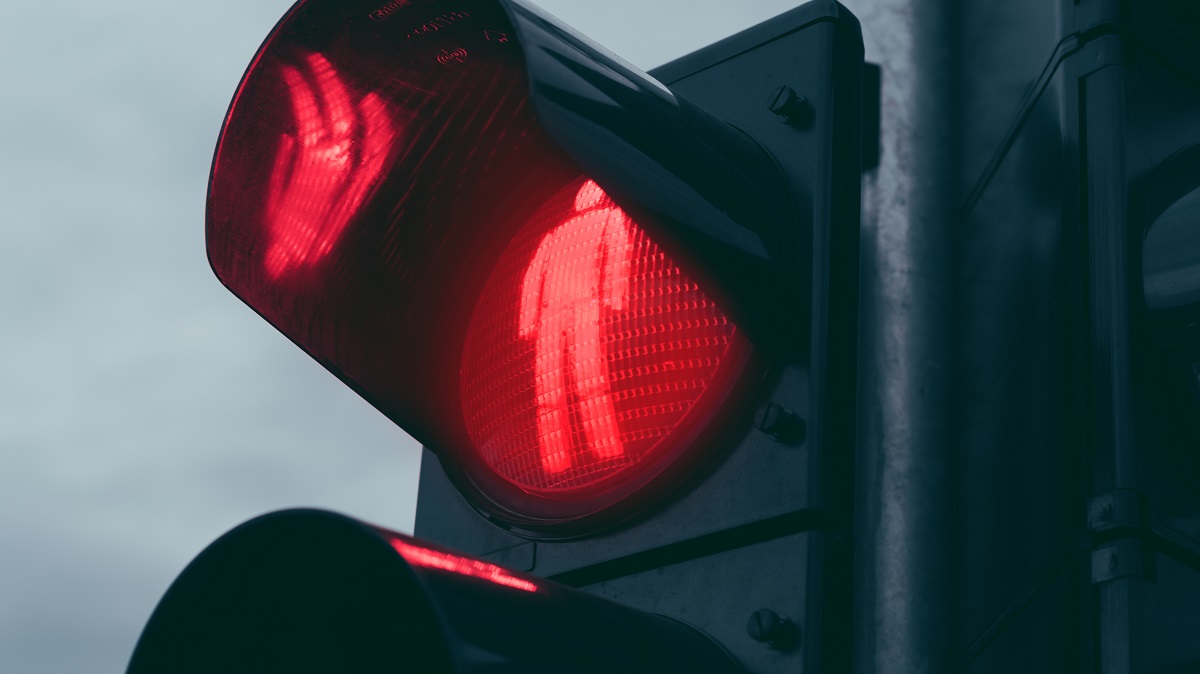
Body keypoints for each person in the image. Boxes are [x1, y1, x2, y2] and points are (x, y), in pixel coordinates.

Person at [518, 180, 634, 475]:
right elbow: (535, 276)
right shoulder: (604, 219)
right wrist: (614, 298)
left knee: (558, 387)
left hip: (564, 310)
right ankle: (600, 451)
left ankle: (564, 461)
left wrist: (527, 325)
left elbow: (533, 278)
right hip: (578, 307)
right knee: (584, 381)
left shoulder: (558, 231)